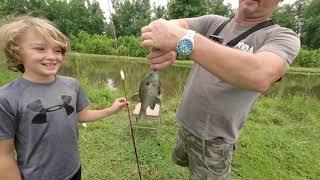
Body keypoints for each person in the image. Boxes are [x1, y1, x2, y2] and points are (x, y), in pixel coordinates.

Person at [141, 0, 300, 179]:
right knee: (187, 165)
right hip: (186, 124)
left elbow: (261, 75)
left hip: (215, 140)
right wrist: (167, 44)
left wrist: (184, 41)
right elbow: (168, 26)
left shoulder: (282, 36)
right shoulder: (214, 22)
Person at [0, 15, 128, 180]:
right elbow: (4, 156)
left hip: (73, 170)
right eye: (40, 48)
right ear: (16, 51)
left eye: (58, 50)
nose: (52, 56)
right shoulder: (6, 98)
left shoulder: (71, 85)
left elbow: (80, 115)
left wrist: (111, 109)